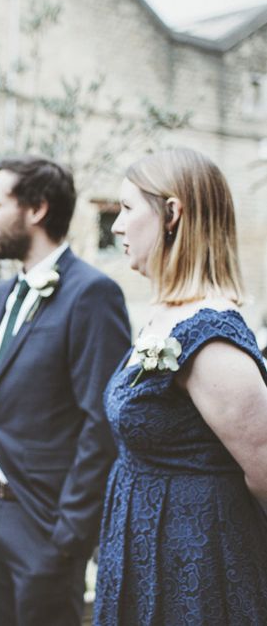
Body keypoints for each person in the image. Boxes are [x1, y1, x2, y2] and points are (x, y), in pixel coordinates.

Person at [0, 156, 131, 625]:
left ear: (37, 209)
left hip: (43, 527)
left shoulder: (93, 294)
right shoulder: (3, 294)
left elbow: (103, 421)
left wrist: (69, 534)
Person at [94, 148, 267, 624]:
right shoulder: (166, 315)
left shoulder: (211, 342)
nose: (116, 225)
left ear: (172, 213)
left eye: (128, 209)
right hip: (145, 543)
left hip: (195, 565)